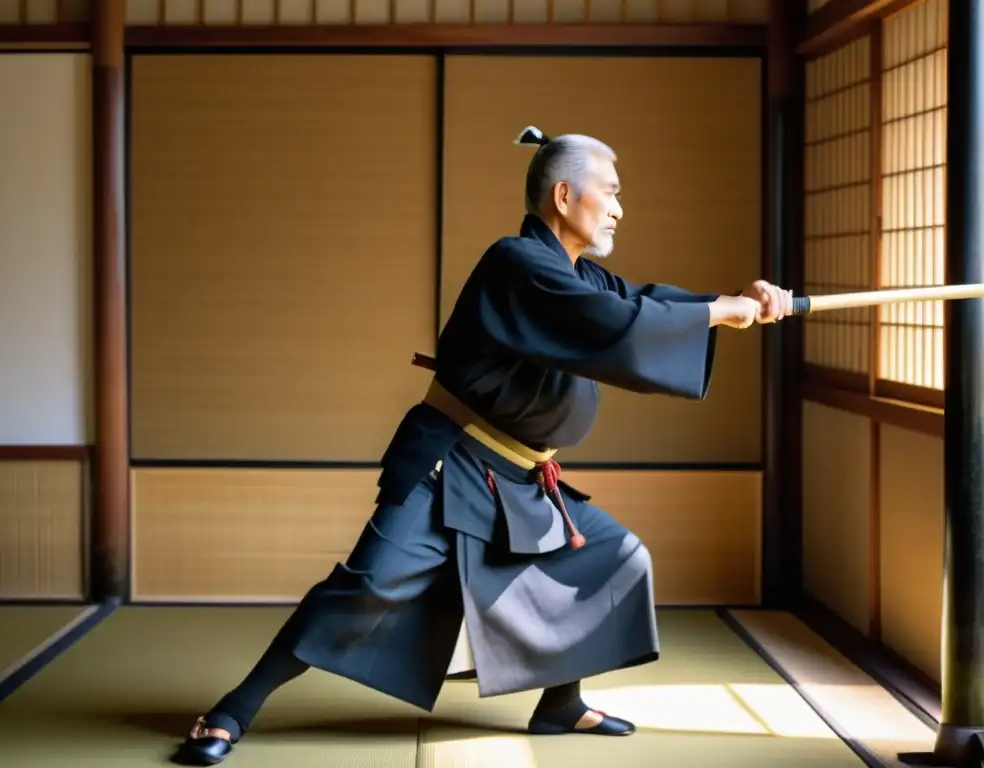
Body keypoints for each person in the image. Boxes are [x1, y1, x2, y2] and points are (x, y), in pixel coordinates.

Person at [174, 125, 789, 765]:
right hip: (451, 464)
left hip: (525, 481)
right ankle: (232, 711)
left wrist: (736, 302)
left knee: (615, 558)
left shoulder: (582, 276)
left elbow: (641, 303)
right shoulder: (517, 264)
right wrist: (717, 313)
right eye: (609, 193)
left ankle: (561, 705)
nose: (618, 208)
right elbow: (615, 326)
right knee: (366, 589)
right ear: (563, 194)